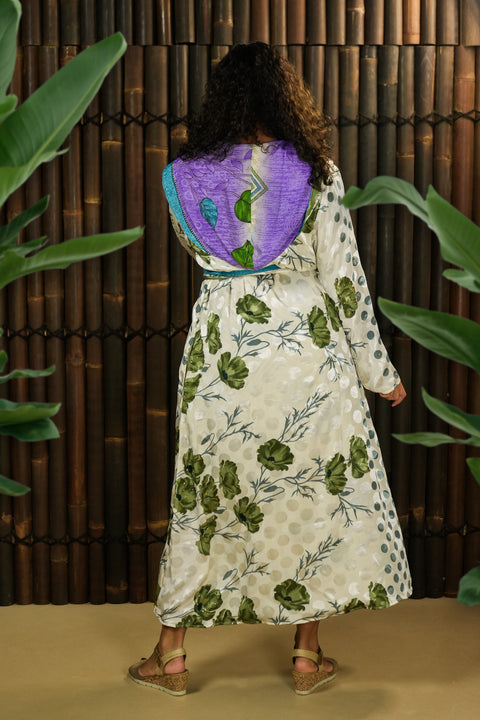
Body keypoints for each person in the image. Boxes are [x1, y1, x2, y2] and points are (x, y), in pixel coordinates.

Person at [128, 42, 411, 696]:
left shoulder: (182, 177)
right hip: (306, 350)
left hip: (222, 351)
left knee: (203, 496)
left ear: (220, 102)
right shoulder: (317, 173)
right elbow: (345, 281)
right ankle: (307, 657)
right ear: (288, 100)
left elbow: (200, 251)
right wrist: (379, 373)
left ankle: (170, 656)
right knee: (309, 499)